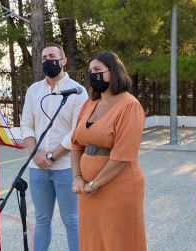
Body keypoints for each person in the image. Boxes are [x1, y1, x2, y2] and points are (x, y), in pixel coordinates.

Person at [71, 51, 147, 251]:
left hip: (118, 188)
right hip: (87, 190)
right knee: (92, 241)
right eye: (90, 71)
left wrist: (96, 183)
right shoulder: (89, 103)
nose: (92, 74)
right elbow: (76, 144)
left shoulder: (130, 105)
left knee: (118, 242)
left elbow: (123, 156)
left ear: (113, 72)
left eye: (98, 70)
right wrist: (77, 177)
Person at [20, 43, 88, 251]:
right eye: (43, 58)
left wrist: (52, 155)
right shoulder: (34, 90)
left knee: (72, 220)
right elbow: (26, 125)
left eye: (52, 56)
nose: (47, 60)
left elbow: (77, 131)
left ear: (64, 60)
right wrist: (36, 153)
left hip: (66, 168)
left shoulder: (78, 91)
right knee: (41, 220)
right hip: (37, 168)